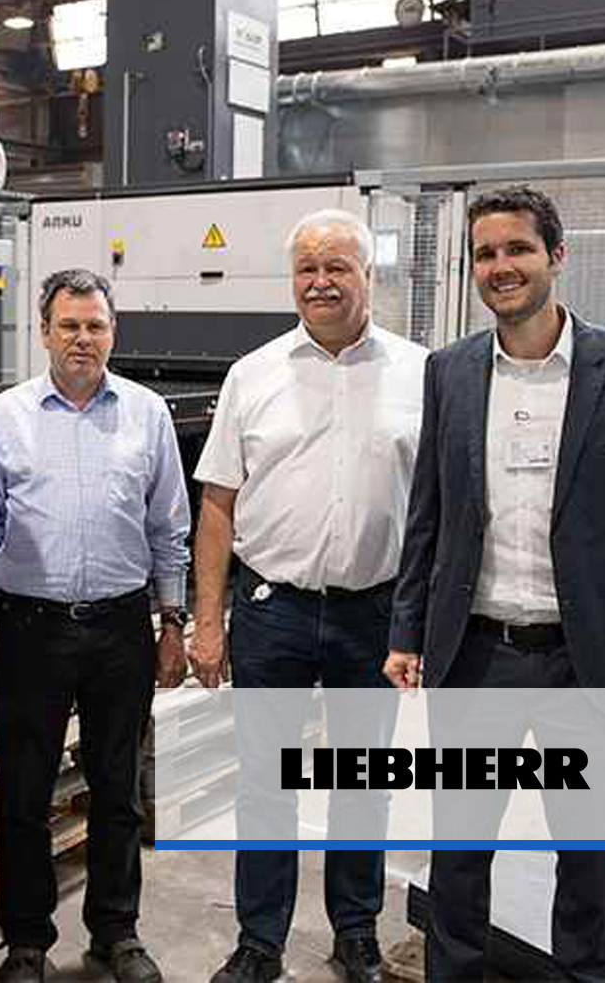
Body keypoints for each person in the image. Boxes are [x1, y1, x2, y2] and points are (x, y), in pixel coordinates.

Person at [384, 185, 605, 982]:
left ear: (557, 256)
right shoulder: (451, 371)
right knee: (460, 850)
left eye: (518, 249)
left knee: (588, 855)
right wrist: (407, 632)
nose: (501, 266)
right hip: (476, 655)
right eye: (485, 253)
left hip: (586, 661)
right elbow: (429, 515)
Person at [190, 209, 428, 983]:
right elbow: (217, 506)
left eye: (337, 267)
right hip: (273, 610)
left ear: (369, 276)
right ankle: (259, 942)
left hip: (376, 613)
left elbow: (440, 509)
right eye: (307, 269)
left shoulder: (422, 374)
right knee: (266, 782)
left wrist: (423, 624)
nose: (320, 282)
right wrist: (207, 623)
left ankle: (355, 933)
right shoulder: (252, 375)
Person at [0, 269, 190, 983]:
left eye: (95, 326)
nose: (82, 339)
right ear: (44, 332)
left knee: (117, 790)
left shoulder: (146, 414)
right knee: (25, 793)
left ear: (113, 333)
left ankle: (115, 933)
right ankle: (26, 942)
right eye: (68, 325)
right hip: (28, 629)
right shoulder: (3, 418)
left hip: (121, 629)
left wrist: (172, 623)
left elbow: (168, 527)